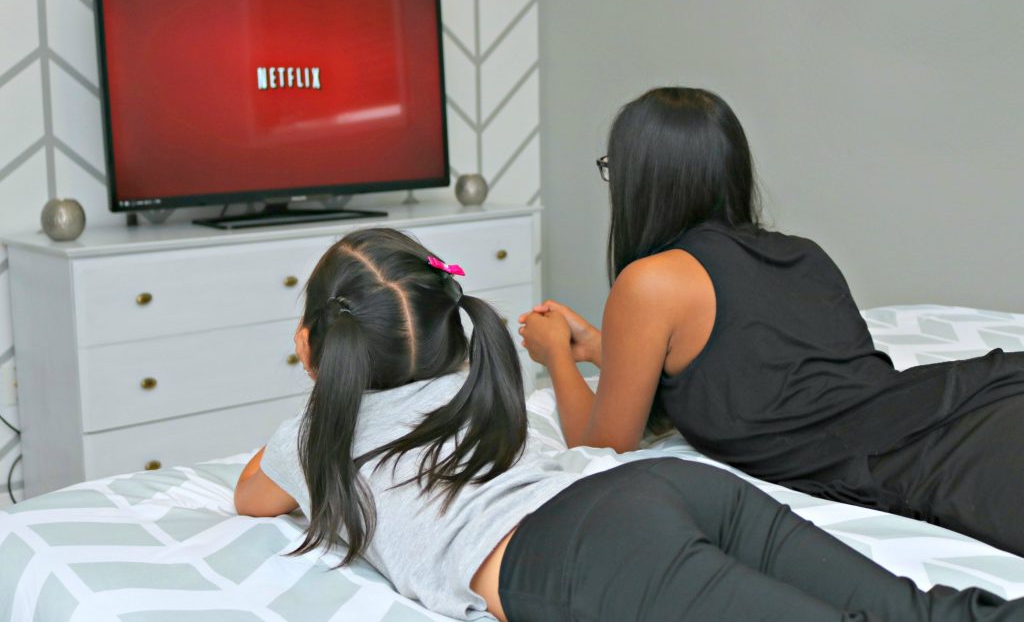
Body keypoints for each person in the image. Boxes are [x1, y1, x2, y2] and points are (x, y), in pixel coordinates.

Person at [235, 227, 1024, 621]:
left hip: (585, 551)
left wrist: (317, 380)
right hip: (668, 488)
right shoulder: (474, 390)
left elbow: (251, 497)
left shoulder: (311, 439)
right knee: (926, 612)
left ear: (314, 343)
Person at [518, 86, 1024, 559]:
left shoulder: (650, 281)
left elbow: (604, 446)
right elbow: (738, 366)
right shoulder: (804, 254)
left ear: (641, 178)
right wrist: (596, 346)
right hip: (963, 403)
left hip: (930, 459)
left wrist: (556, 354)